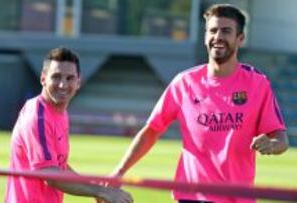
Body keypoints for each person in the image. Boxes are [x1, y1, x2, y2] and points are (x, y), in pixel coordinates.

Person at [106, 4, 289, 203]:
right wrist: (119, 171)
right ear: (205, 36)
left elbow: (282, 140)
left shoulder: (257, 84)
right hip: (191, 196)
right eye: (213, 30)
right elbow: (152, 130)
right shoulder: (184, 82)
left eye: (226, 31)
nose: (218, 37)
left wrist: (272, 145)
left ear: (240, 39)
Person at [5, 47, 133, 203]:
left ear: (78, 82)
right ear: (43, 78)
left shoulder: (59, 113)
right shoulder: (38, 117)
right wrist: (100, 191)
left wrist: (98, 189)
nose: (62, 85)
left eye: (69, 78)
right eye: (56, 77)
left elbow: (59, 165)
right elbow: (50, 175)